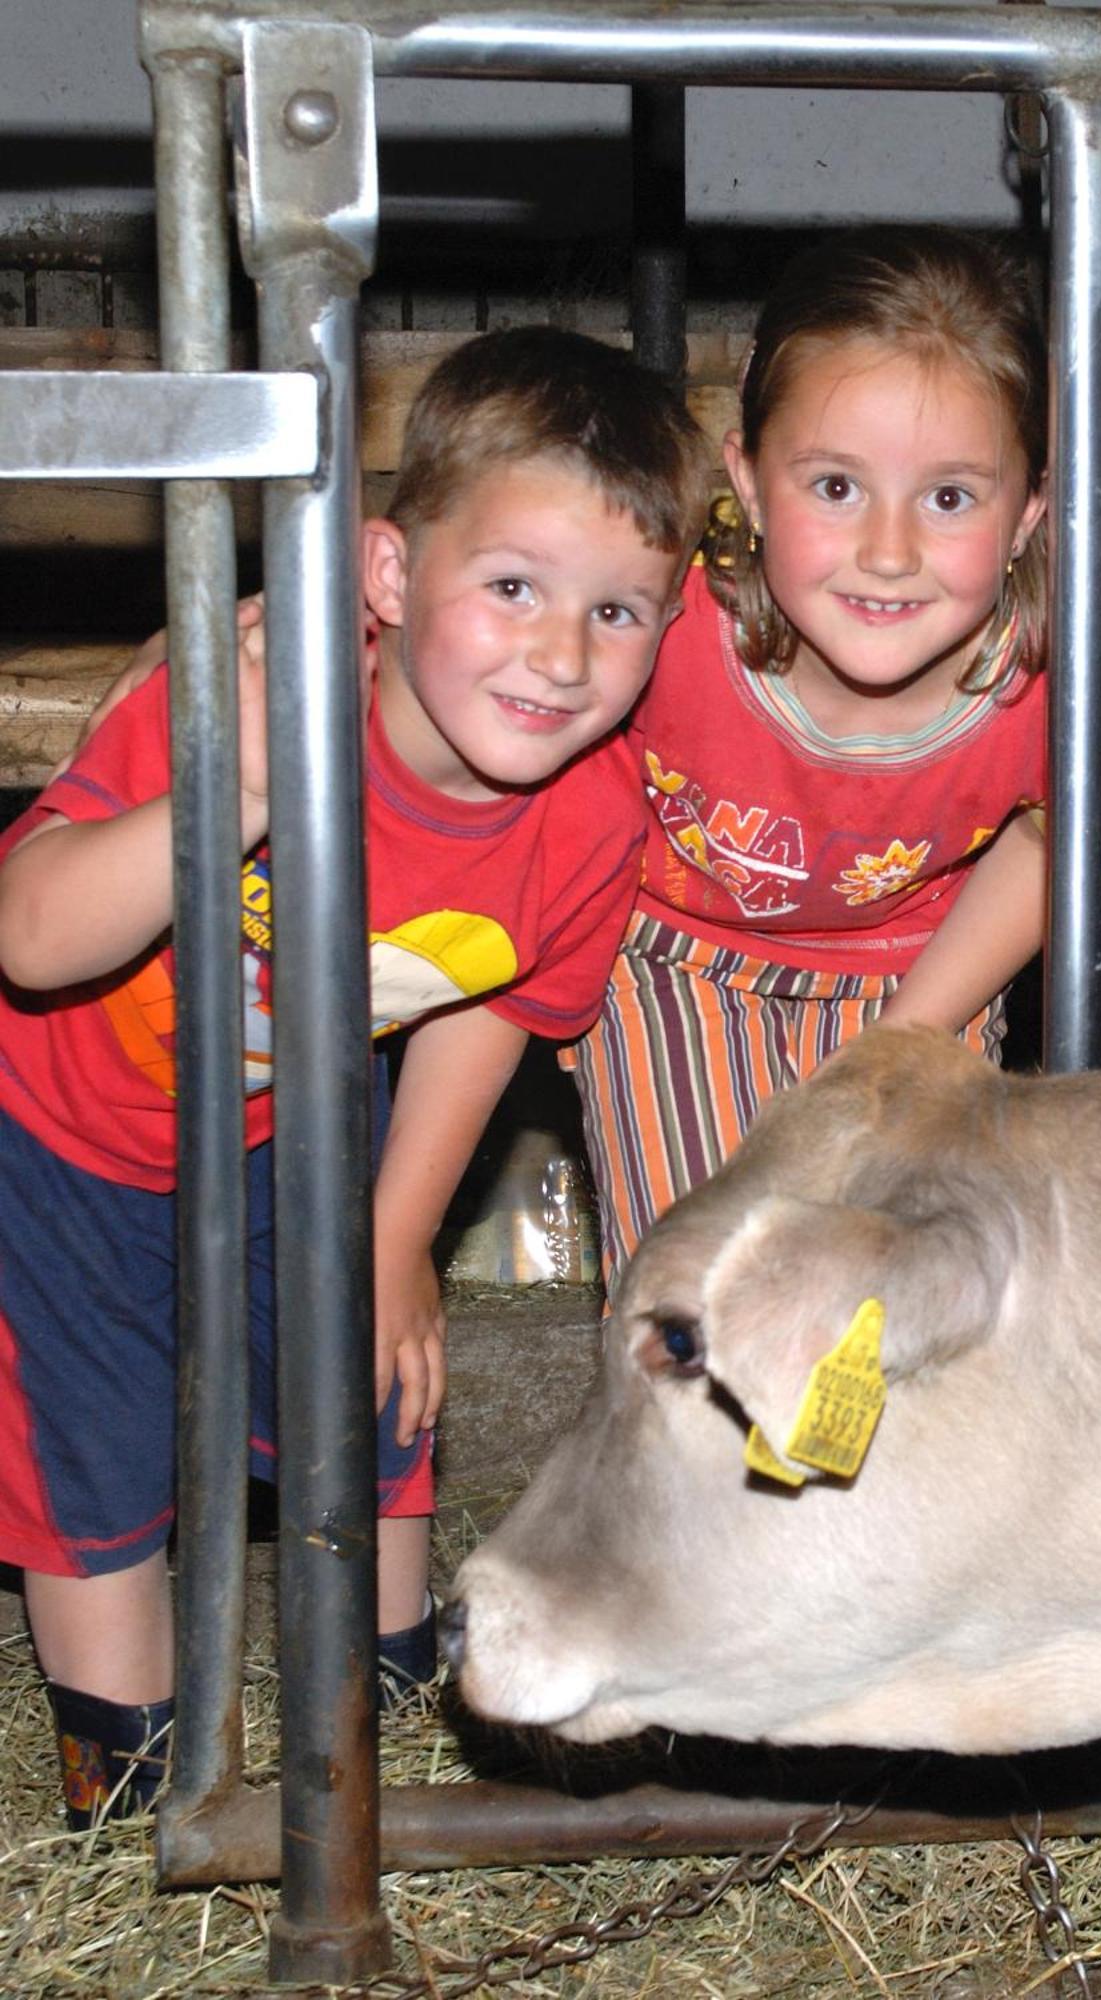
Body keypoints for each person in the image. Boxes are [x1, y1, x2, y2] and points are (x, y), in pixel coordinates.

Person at [0, 325, 712, 1827]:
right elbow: (35, 936)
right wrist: (240, 776)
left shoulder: (591, 819)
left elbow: (493, 999)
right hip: (62, 1134)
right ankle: (132, 1801)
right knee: (97, 1456)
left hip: (296, 1119)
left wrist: (398, 1237)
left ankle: (383, 1722)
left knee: (374, 1391)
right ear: (389, 579)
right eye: (511, 586)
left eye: (619, 610)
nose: (562, 653)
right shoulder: (260, 689)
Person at [561, 226, 1101, 1292]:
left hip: (918, 965)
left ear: (1031, 508)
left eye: (949, 498)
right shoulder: (657, 607)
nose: (888, 553)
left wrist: (894, 1049)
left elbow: (1047, 841)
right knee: (707, 1289)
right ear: (746, 482)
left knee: (909, 1287)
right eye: (836, 487)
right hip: (673, 960)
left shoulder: (1075, 681)